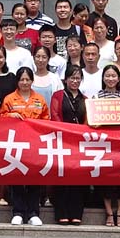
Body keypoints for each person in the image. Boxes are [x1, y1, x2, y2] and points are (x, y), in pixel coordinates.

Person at [0, 67, 50, 226]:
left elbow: (46, 120)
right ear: (17, 81)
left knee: (34, 177)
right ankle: (18, 212)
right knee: (16, 177)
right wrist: (9, 115)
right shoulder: (9, 99)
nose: (25, 82)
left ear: (32, 81)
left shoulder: (40, 99)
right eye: (22, 79)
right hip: (16, 143)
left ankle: (33, 213)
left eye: (28, 79)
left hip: (34, 144)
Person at [95, 65, 120, 227]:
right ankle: (109, 213)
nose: (110, 79)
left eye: (113, 76)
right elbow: (91, 120)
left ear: (118, 78)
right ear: (103, 78)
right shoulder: (96, 97)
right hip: (104, 144)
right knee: (106, 179)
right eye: (107, 76)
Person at [49, 66, 86, 225]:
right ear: (66, 79)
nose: (75, 81)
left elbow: (87, 120)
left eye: (78, 78)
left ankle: (76, 213)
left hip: (79, 143)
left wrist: (79, 133)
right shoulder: (58, 95)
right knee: (62, 176)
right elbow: (54, 115)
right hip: (61, 141)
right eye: (72, 78)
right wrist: (66, 132)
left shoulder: (85, 99)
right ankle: (61, 212)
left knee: (78, 178)